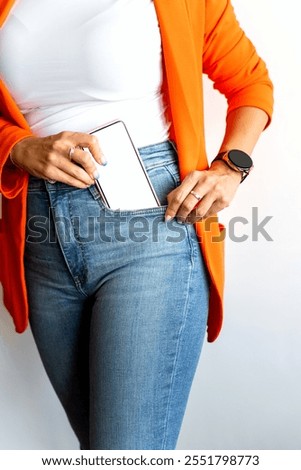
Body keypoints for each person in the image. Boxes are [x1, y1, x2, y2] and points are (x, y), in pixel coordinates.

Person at [0, 0, 273, 450]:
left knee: (127, 452)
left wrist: (231, 167)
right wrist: (16, 147)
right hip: (41, 237)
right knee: (104, 452)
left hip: (153, 226)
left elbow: (250, 83)